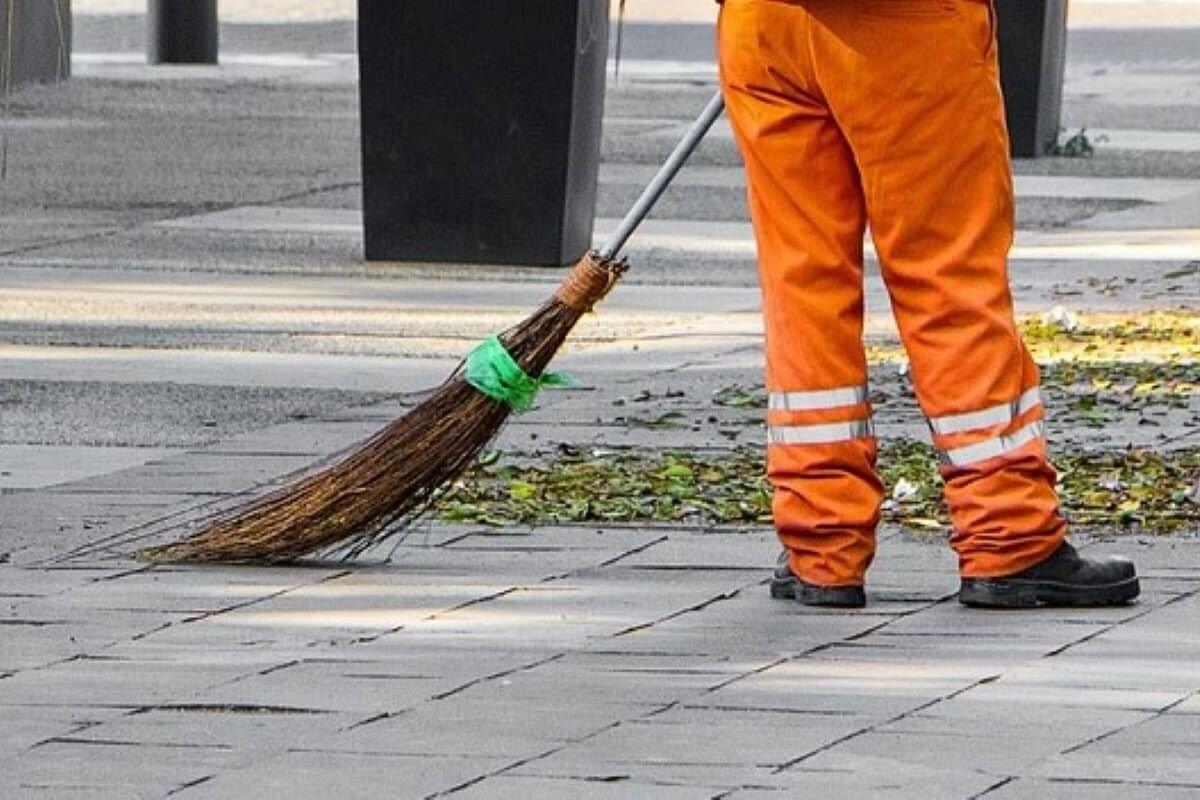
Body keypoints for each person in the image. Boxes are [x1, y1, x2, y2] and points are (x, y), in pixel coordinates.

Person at [715, 0, 1138, 608]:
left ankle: (821, 543)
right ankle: (1008, 533)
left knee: (801, 282)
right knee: (946, 274)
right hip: (906, 28)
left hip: (764, 26)